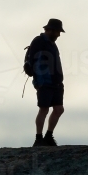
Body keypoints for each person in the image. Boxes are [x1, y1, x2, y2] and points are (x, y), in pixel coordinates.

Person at [27, 18, 65, 147]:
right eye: (58, 32)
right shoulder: (38, 41)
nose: (59, 35)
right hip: (44, 81)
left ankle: (48, 136)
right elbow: (31, 59)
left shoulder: (51, 44)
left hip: (56, 81)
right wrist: (36, 74)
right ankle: (38, 139)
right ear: (51, 30)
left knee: (59, 109)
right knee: (44, 109)